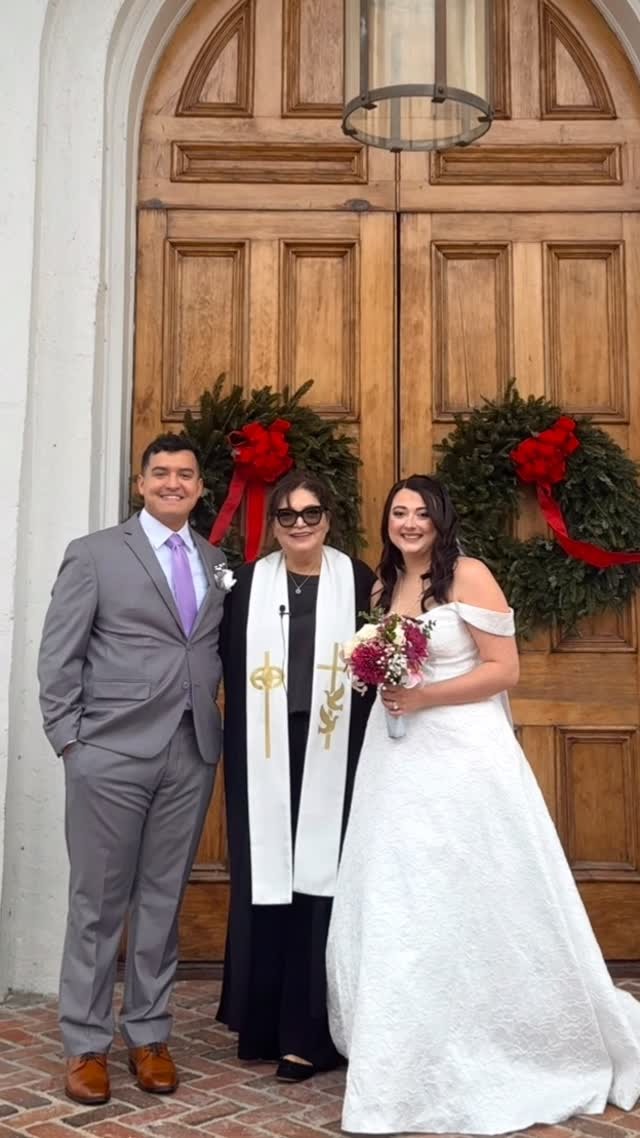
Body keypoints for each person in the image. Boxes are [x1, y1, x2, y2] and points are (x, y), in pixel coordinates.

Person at [326, 474, 640, 1135]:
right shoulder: (384, 587)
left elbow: (505, 670)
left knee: (474, 887)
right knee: (404, 894)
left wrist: (424, 697)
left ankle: (507, 1037)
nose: (408, 523)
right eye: (399, 512)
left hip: (463, 755)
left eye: (420, 513)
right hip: (396, 758)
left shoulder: (470, 575)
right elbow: (388, 664)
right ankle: (406, 1047)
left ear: (441, 519)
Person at [38, 434, 229, 1107]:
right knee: (97, 903)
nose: (174, 483)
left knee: (161, 900)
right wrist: (71, 742)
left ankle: (149, 1033)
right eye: (161, 473)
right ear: (140, 483)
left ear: (200, 487)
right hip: (109, 752)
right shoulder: (94, 554)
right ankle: (86, 1044)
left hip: (190, 750)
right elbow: (59, 653)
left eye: (186, 473)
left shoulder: (214, 560)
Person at [217, 469, 376, 1082]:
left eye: (312, 514)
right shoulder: (246, 584)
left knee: (322, 882)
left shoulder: (360, 581)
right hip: (262, 746)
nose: (301, 525)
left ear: (329, 519)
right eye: (288, 515)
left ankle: (310, 1032)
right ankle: (260, 1022)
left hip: (336, 746)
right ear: (274, 524)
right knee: (265, 877)